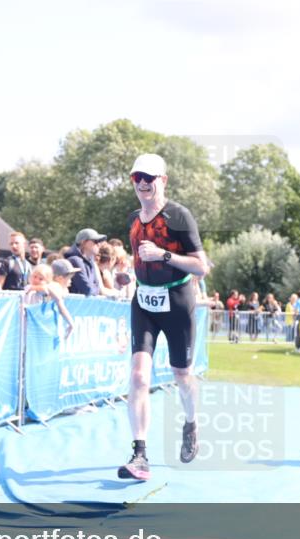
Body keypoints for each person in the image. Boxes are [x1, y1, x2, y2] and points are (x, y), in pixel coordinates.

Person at [119, 153, 209, 481]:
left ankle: (191, 422)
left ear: (163, 180)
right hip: (143, 301)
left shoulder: (178, 216)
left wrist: (164, 255)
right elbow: (139, 259)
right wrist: (129, 276)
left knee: (182, 375)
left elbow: (201, 265)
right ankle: (140, 454)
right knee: (140, 375)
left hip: (177, 300)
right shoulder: (132, 218)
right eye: (137, 178)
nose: (143, 183)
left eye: (150, 178)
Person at [22, 263, 76, 338]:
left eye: (41, 279)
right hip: (27, 324)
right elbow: (44, 289)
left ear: (47, 281)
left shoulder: (49, 289)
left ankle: (71, 324)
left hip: (41, 325)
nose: (36, 280)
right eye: (35, 277)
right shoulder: (28, 288)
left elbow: (57, 296)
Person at [65, 228, 106, 296]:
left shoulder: (91, 261)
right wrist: (96, 289)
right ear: (84, 242)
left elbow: (97, 287)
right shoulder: (74, 260)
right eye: (96, 241)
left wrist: (96, 289)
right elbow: (87, 290)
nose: (99, 244)